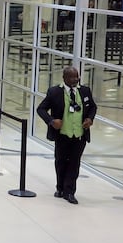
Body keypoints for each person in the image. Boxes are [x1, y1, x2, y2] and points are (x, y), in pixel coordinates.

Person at [36, 66, 97, 205]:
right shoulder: (55, 92)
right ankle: (60, 188)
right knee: (61, 161)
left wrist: (90, 119)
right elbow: (41, 109)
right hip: (62, 135)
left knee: (74, 163)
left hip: (79, 135)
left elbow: (93, 107)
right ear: (64, 78)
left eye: (76, 77)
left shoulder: (85, 91)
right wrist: (51, 121)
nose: (75, 79)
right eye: (71, 77)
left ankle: (69, 192)